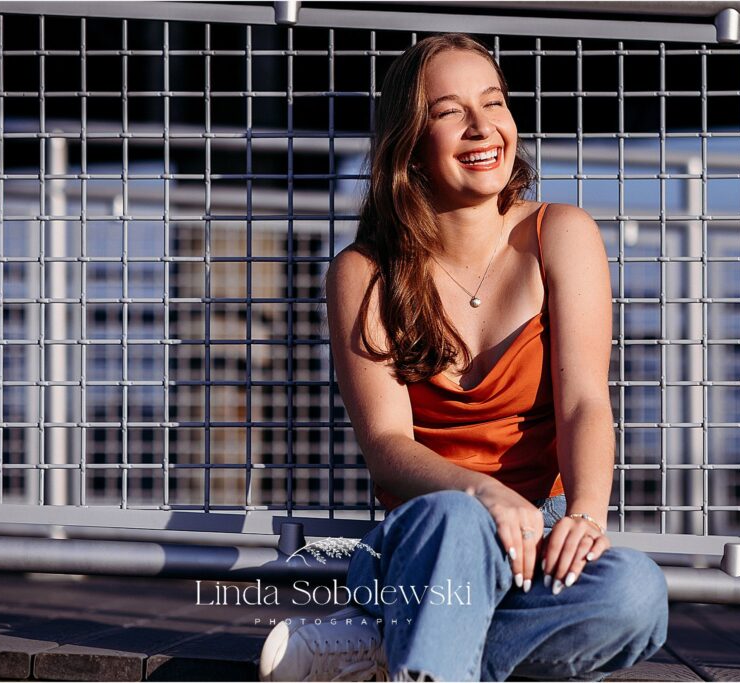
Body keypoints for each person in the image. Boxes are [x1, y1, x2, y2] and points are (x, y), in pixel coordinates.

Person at [259, 33, 667, 682]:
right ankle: (424, 632)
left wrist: (586, 514)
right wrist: (484, 495)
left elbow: (586, 400)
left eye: (495, 103)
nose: (483, 127)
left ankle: (385, 644)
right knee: (455, 518)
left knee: (636, 594)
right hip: (427, 541)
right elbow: (387, 443)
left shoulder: (561, 233)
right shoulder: (363, 271)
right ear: (410, 142)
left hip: (543, 532)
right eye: (450, 112)